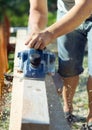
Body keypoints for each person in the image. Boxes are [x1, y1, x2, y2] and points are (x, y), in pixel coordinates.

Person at [25, 0, 92, 129]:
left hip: (87, 6)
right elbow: (38, 9)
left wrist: (50, 33)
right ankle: (68, 110)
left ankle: (91, 119)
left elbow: (87, 5)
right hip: (67, 12)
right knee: (68, 67)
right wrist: (36, 33)